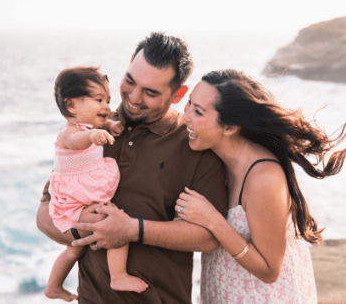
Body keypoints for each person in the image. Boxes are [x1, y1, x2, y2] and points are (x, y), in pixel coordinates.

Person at [36, 32, 228, 304]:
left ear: (178, 94)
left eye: (150, 92)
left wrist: (132, 230)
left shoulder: (194, 144)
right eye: (130, 81)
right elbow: (45, 212)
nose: (134, 98)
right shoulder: (91, 130)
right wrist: (80, 228)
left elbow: (210, 237)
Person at [176, 69, 346, 303]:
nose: (185, 116)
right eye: (188, 104)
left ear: (229, 127)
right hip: (225, 294)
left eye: (198, 112)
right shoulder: (215, 160)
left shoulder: (264, 178)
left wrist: (213, 220)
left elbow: (270, 269)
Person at [44, 66, 149, 301]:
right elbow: (78, 141)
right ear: (71, 106)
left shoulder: (90, 126)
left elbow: (98, 128)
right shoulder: (69, 133)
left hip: (82, 191)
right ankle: (118, 275)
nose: (106, 107)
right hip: (78, 195)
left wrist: (110, 126)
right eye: (98, 100)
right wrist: (93, 136)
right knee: (114, 224)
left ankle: (53, 287)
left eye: (108, 100)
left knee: (73, 249)